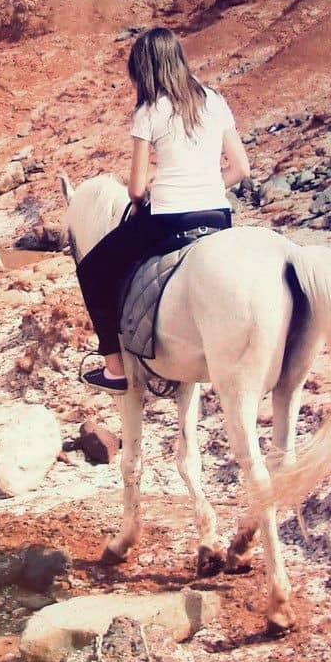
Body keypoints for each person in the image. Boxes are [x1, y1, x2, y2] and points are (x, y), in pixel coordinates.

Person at [75, 27, 251, 390]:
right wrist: (208, 185)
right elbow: (241, 168)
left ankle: (114, 369)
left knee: (92, 270)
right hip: (219, 215)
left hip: (170, 218)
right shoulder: (214, 100)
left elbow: (136, 189)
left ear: (145, 70)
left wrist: (151, 195)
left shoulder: (150, 110)